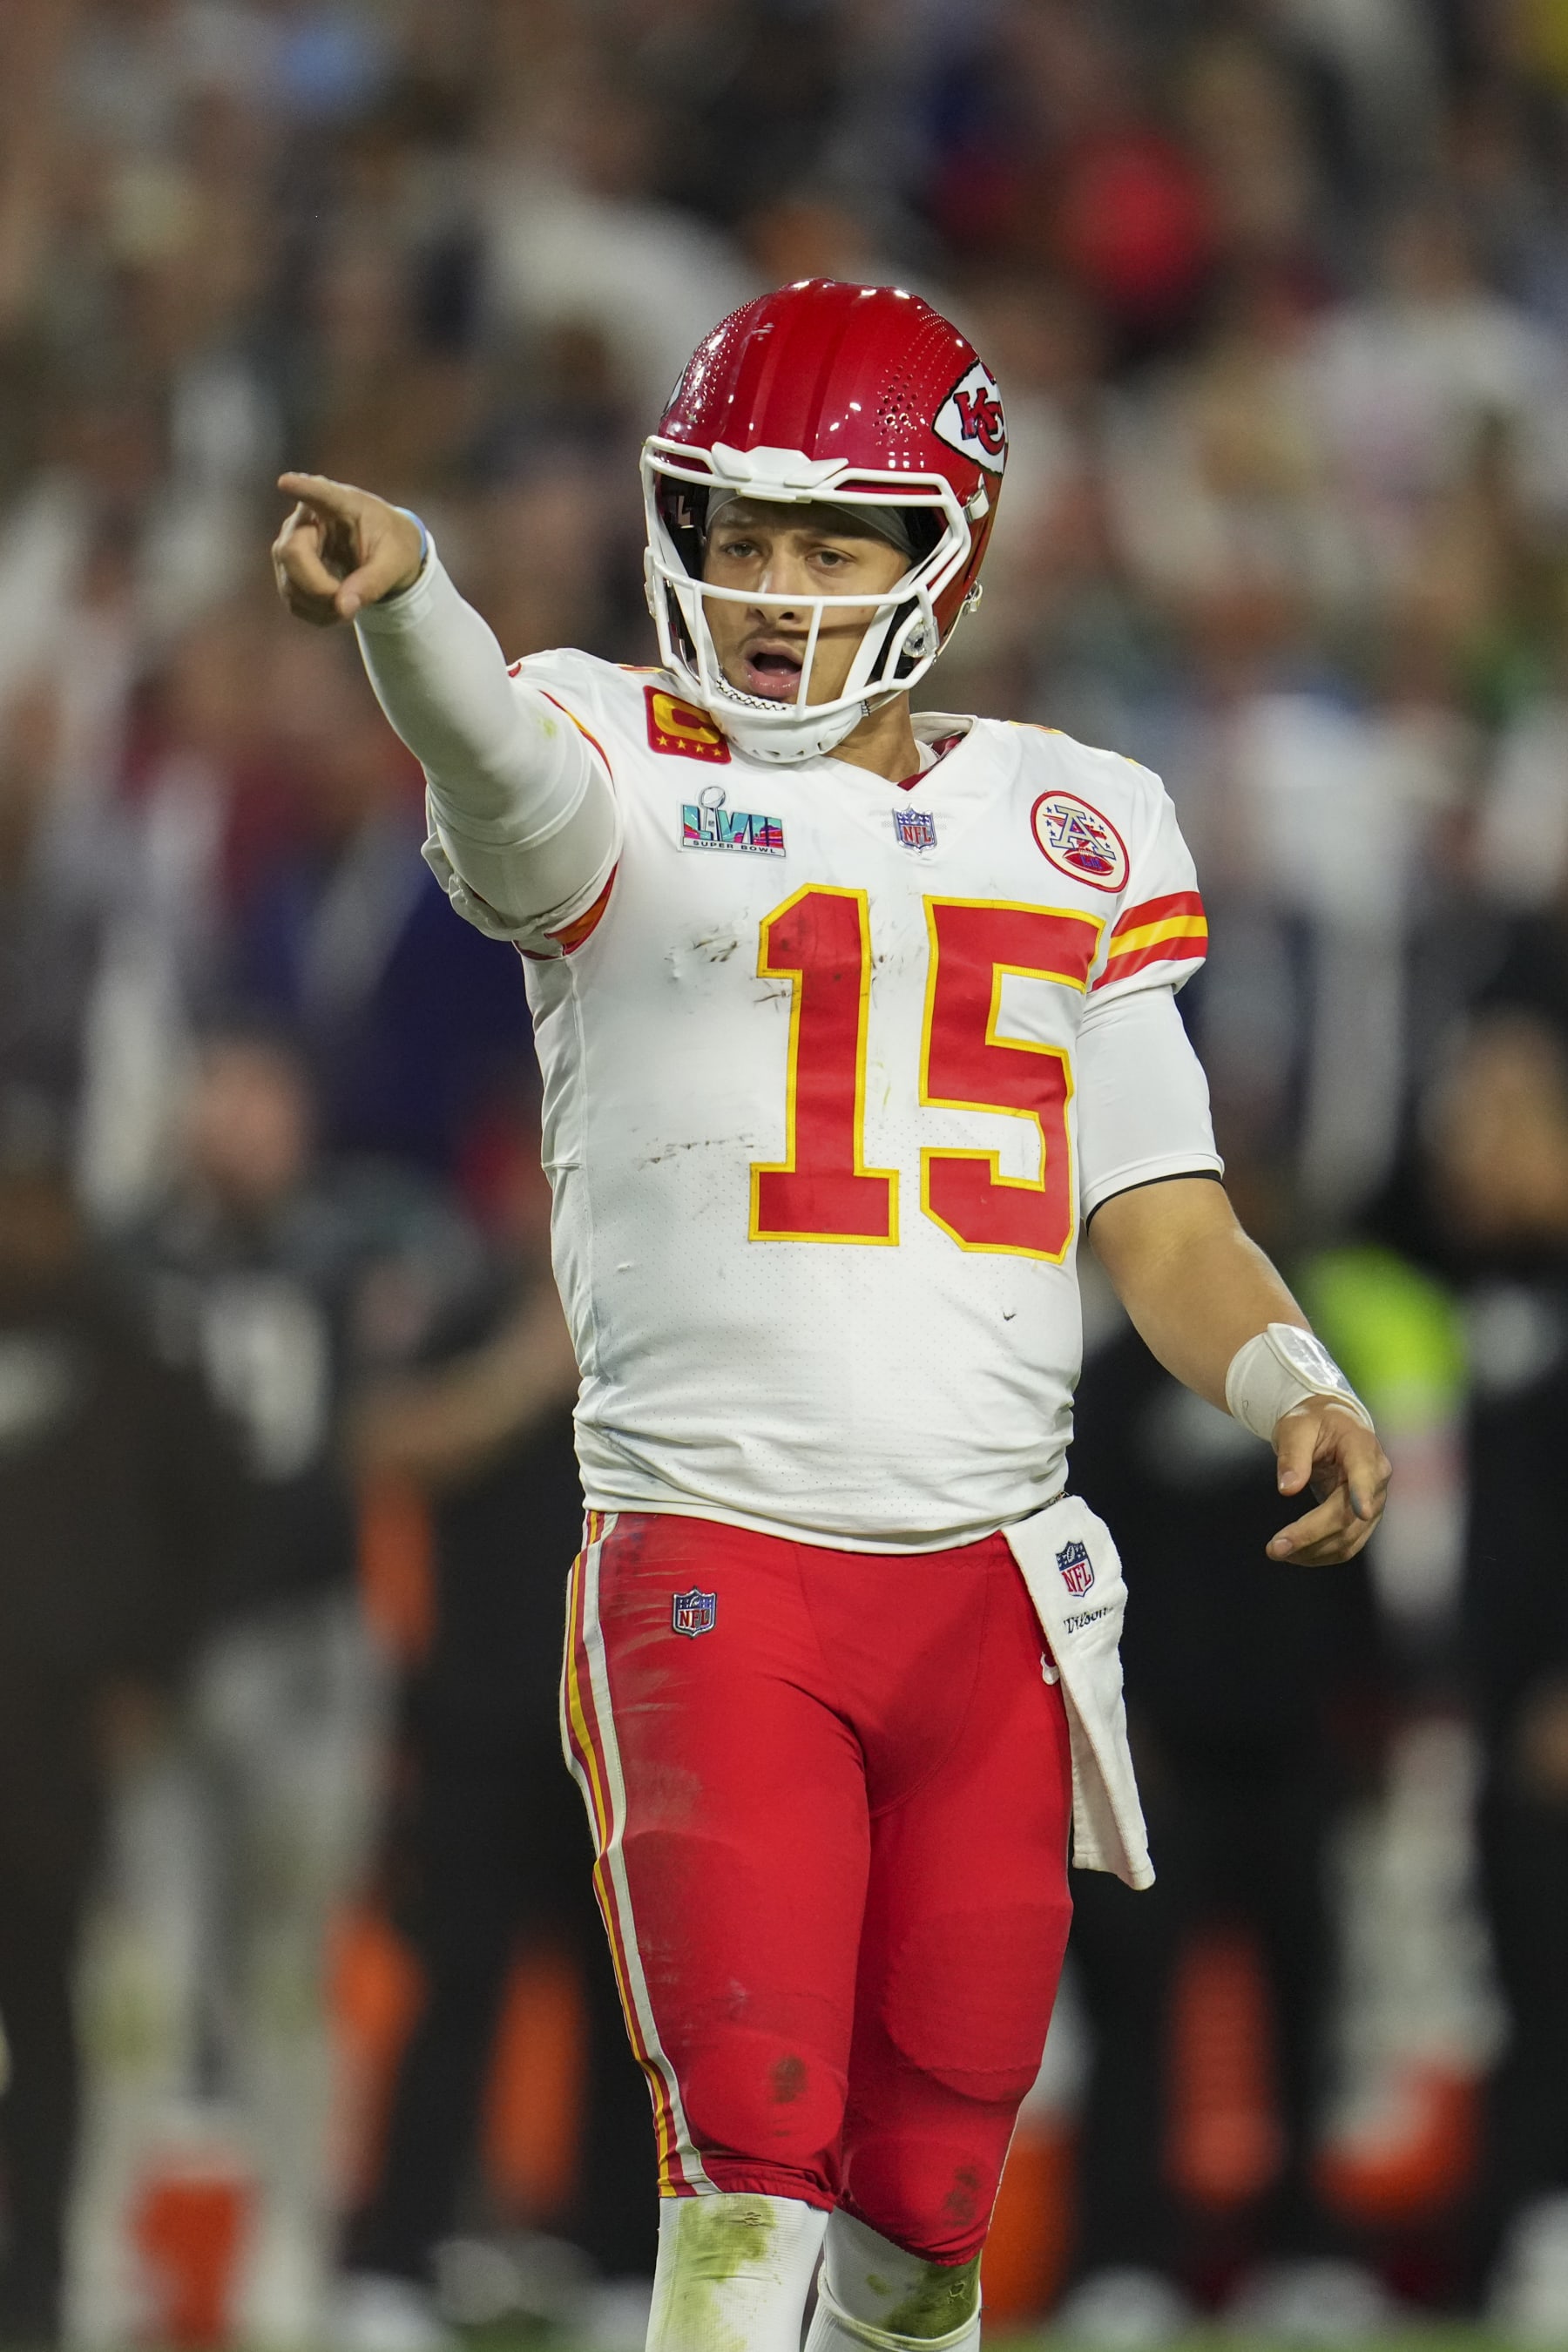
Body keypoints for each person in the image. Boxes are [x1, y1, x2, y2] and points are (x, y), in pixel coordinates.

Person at [269, 279, 1389, 2352]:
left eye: (830, 540)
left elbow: (1155, 1201)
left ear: (941, 550)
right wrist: (406, 608)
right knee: (748, 2167)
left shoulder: (1079, 812)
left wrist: (1288, 1370)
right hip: (718, 1556)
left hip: (987, 1587)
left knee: (930, 2209)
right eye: (737, 533)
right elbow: (502, 777)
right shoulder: (601, 734)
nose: (773, 587)